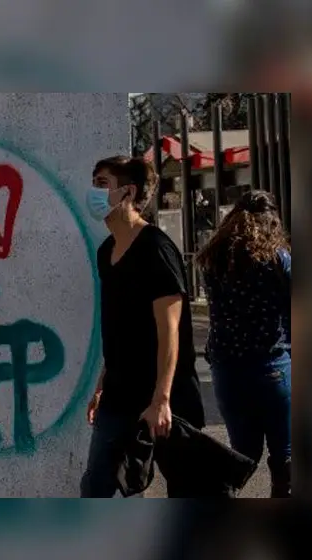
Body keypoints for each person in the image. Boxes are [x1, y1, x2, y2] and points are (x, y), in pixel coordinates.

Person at [80, 156, 205, 497]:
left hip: (167, 399)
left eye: (102, 183)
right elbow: (120, 328)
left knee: (186, 487)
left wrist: (161, 400)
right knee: (97, 484)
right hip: (120, 395)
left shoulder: (156, 250)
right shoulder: (107, 252)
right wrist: (103, 383)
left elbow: (171, 333)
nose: (93, 191)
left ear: (128, 192)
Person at [195, 190, 292, 498]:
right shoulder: (277, 258)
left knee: (241, 454)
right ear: (272, 221)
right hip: (271, 366)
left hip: (228, 370)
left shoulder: (213, 258)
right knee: (284, 454)